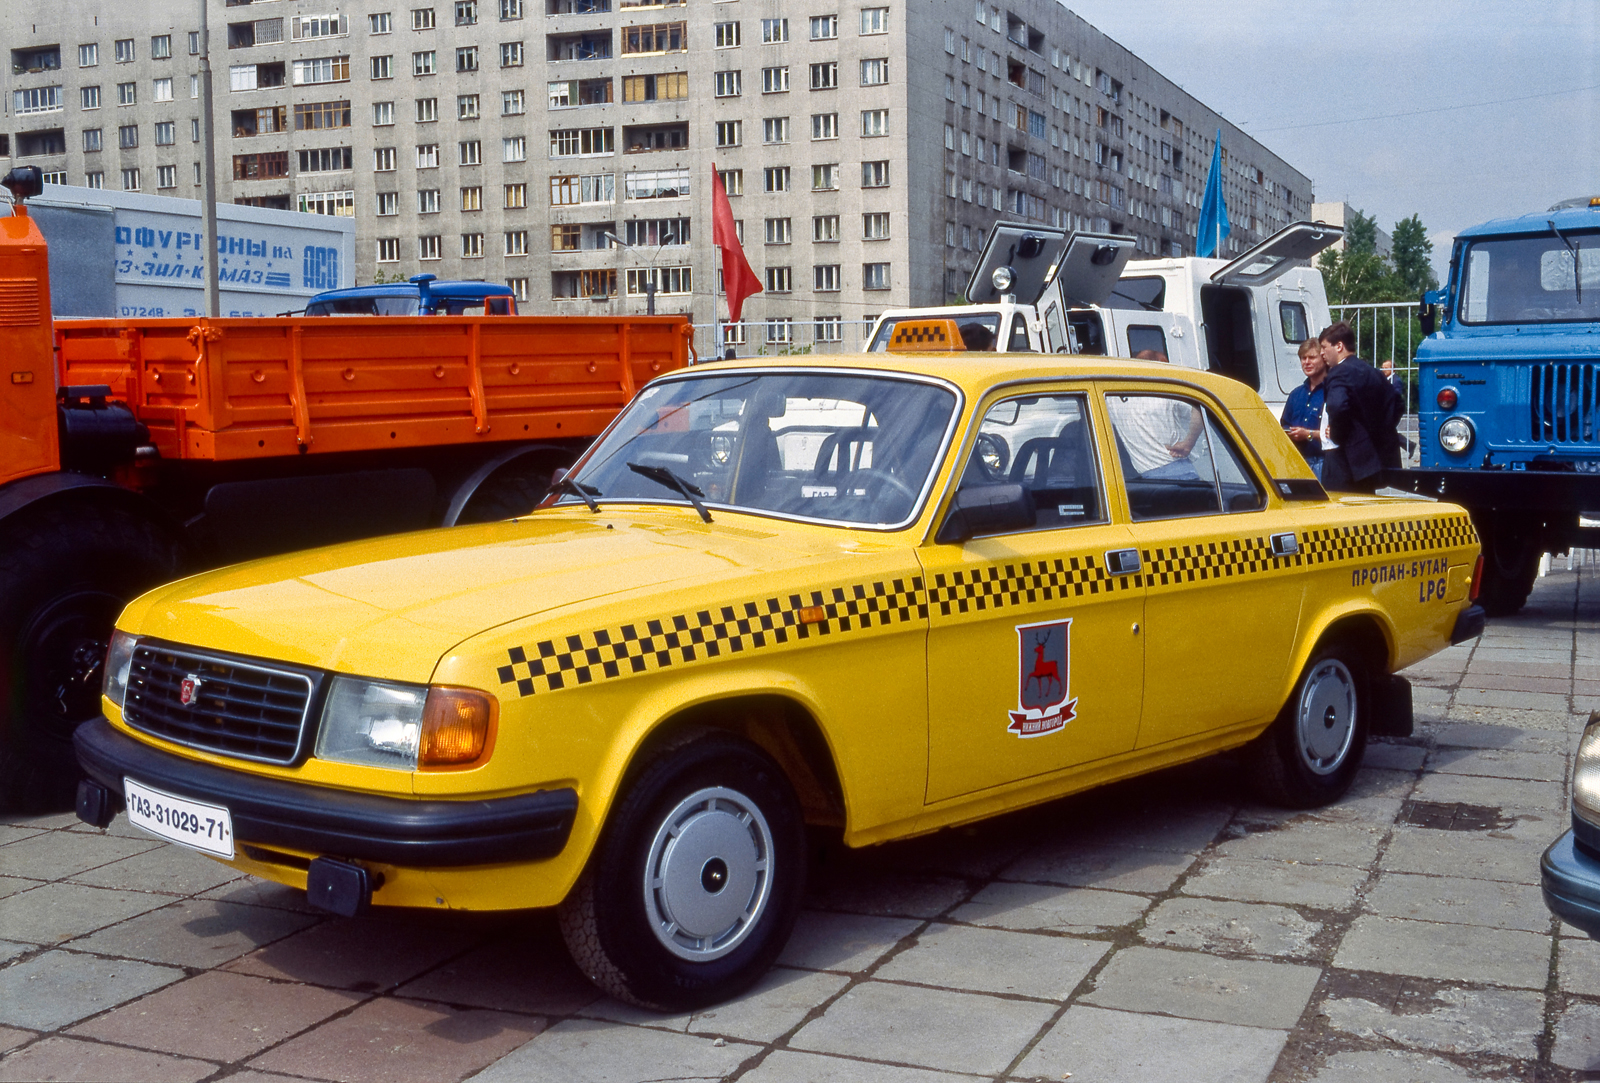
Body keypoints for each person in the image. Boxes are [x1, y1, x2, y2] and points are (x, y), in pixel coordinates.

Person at [1319, 322, 1403, 492]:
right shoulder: (1373, 372)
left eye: (1324, 347)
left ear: (1339, 346)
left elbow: (1338, 406)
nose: (1322, 353)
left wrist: (1336, 432)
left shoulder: (1339, 372)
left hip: (1346, 462)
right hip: (1373, 462)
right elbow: (1397, 404)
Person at [1105, 350, 1205, 479]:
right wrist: (1189, 443)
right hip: (1177, 470)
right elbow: (1200, 409)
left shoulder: (1112, 399)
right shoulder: (1165, 393)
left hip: (1146, 477)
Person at [1280, 339, 1328, 479]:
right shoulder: (1295, 394)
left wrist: (1307, 434)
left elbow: (1336, 434)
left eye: (1312, 357)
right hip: (1297, 462)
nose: (1306, 362)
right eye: (1303, 358)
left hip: (1322, 463)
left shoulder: (1332, 392)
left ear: (1323, 359)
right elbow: (1284, 424)